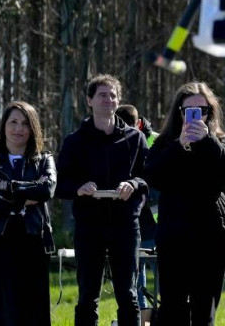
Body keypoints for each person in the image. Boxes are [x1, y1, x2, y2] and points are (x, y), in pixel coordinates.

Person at [143, 82, 225, 325]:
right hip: (174, 239)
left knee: (203, 314)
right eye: (190, 111)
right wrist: (179, 147)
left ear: (211, 112)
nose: (197, 116)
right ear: (179, 112)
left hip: (213, 239)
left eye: (203, 110)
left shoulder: (222, 142)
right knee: (171, 312)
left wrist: (208, 142)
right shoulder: (165, 144)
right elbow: (153, 176)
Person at [56, 75, 148, 326]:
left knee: (128, 295)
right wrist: (79, 187)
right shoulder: (75, 142)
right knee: (88, 295)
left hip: (126, 225)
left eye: (113, 95)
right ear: (89, 100)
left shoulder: (135, 138)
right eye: (102, 95)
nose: (109, 99)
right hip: (89, 226)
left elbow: (148, 177)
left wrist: (133, 184)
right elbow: (59, 185)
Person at [0, 101, 56, 326]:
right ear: (4, 126)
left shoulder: (44, 159)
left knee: (33, 308)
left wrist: (8, 187)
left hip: (33, 238)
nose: (18, 129)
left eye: (25, 123)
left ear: (33, 128)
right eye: (13, 122)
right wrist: (25, 196)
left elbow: (46, 189)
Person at [116, 104, 160, 325]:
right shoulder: (116, 141)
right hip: (133, 222)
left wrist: (140, 190)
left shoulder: (156, 141)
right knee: (135, 277)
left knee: (164, 276)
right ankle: (141, 320)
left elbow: (159, 180)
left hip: (157, 221)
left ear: (139, 124)